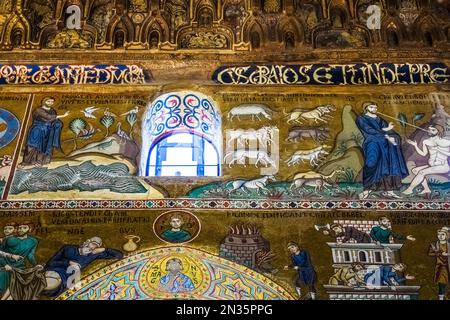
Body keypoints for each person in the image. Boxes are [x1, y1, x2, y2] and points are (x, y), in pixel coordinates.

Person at [356, 102, 408, 199]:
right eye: (372, 107)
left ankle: (389, 190)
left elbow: (388, 131)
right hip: (372, 143)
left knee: (387, 165)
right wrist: (386, 131)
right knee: (371, 164)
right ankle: (367, 190)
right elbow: (369, 130)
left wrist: (391, 137)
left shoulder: (379, 119)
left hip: (384, 144)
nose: (374, 109)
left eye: (376, 107)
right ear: (366, 108)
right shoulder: (361, 118)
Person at [42, 236, 123, 297]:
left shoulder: (93, 255)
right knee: (47, 280)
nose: (94, 247)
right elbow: (50, 263)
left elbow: (119, 255)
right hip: (54, 271)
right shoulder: (68, 248)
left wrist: (104, 249)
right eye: (94, 243)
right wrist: (68, 262)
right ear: (87, 241)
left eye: (97, 246)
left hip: (65, 280)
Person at [21, 97, 69, 166]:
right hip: (37, 129)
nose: (50, 103)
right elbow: (48, 117)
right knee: (32, 145)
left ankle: (40, 161)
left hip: (48, 131)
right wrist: (63, 115)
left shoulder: (52, 111)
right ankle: (27, 162)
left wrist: (58, 123)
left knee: (45, 147)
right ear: (44, 101)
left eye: (52, 102)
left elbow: (54, 120)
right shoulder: (38, 110)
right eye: (48, 101)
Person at [403, 125, 450, 195]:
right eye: (429, 129)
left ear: (439, 131)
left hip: (442, 166)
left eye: (433, 130)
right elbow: (423, 154)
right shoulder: (426, 141)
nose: (430, 131)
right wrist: (415, 145)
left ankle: (410, 189)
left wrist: (439, 149)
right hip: (431, 165)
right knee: (415, 170)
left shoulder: (446, 142)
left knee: (421, 172)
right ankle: (426, 189)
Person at [0, 222, 39, 296]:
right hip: (4, 265)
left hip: (20, 267)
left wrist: (36, 265)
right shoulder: (9, 239)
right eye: (20, 228)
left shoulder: (33, 241)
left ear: (30, 229)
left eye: (24, 228)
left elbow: (30, 255)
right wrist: (5, 264)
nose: (21, 229)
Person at [428, 227, 450, 300]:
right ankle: (441, 298)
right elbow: (430, 253)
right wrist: (440, 254)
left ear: (446, 235)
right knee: (441, 283)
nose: (440, 236)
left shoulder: (449, 244)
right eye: (439, 234)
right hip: (441, 267)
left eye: (442, 234)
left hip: (449, 266)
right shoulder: (434, 245)